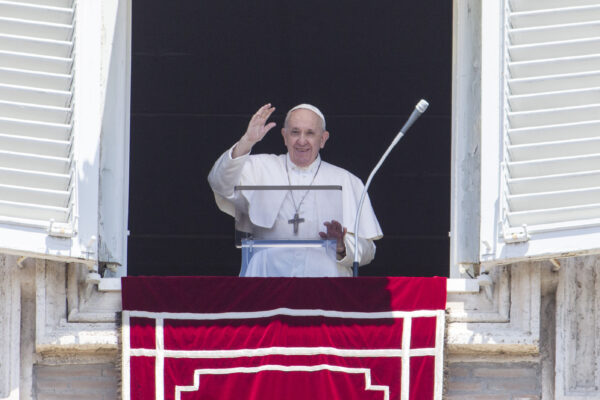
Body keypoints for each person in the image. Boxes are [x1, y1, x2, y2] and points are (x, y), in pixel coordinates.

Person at [208, 103, 382, 277]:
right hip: (267, 276)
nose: (301, 141)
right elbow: (219, 183)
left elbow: (368, 251)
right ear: (284, 136)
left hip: (324, 285)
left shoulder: (346, 181)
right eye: (295, 132)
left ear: (323, 139)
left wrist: (341, 245)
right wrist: (247, 141)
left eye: (310, 133)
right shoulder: (259, 167)